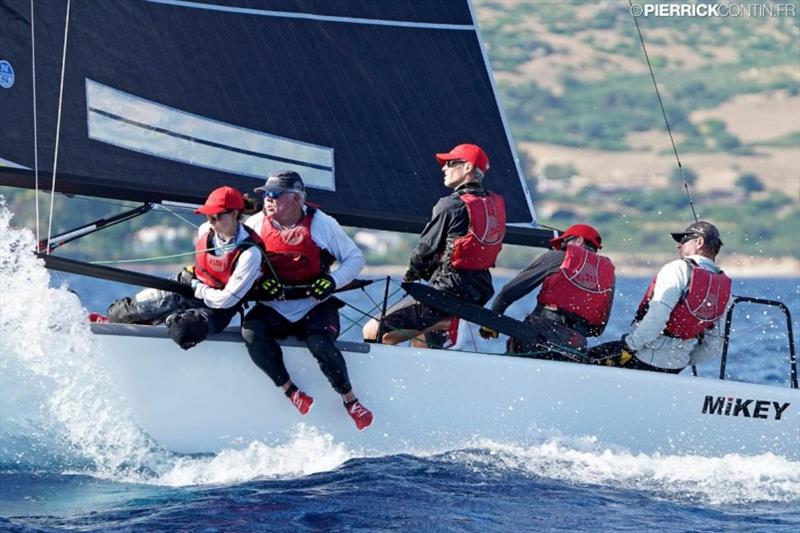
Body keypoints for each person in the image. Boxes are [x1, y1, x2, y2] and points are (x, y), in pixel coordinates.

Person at [241, 170, 373, 431]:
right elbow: (239, 265)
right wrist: (257, 281)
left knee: (319, 344)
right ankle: (292, 391)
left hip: (314, 305)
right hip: (273, 306)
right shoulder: (254, 225)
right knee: (251, 332)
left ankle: (351, 402)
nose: (268, 199)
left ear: (296, 198)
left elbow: (355, 259)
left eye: (275, 194)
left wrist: (333, 282)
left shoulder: (322, 224)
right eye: (266, 194)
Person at [362, 143, 506, 346]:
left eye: (450, 163)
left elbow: (424, 250)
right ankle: (440, 327)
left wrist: (412, 274)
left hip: (446, 291)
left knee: (372, 330)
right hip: (479, 290)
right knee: (409, 341)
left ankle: (444, 323)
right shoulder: (494, 204)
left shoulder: (450, 204)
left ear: (467, 168)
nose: (443, 168)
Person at [107, 186, 264, 350]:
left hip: (216, 308)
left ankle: (168, 317)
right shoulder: (205, 230)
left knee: (182, 332)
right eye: (208, 216)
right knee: (118, 313)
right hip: (186, 285)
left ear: (234, 214)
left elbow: (224, 300)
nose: (211, 221)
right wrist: (193, 284)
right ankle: (158, 315)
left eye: (217, 216)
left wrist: (198, 287)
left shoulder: (250, 253)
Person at [590, 221, 732, 374]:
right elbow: (714, 344)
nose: (678, 245)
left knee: (586, 359)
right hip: (677, 365)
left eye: (684, 240)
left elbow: (658, 316)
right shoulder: (722, 286)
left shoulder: (678, 268)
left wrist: (629, 346)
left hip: (643, 357)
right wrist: (684, 358)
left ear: (699, 242)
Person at [480, 224, 615, 361]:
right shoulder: (607, 274)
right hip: (575, 346)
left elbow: (508, 292)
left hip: (539, 334)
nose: (562, 248)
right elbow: (599, 328)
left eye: (564, 243)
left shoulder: (558, 257)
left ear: (579, 241)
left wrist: (492, 322)